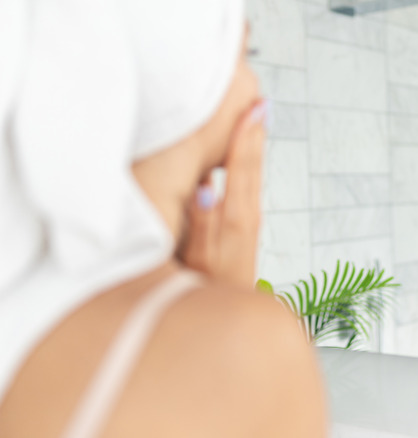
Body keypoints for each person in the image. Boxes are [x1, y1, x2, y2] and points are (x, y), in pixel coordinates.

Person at [0, 0, 327, 436]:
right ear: (190, 90)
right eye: (245, 56)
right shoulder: (249, 352)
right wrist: (222, 323)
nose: (257, 87)